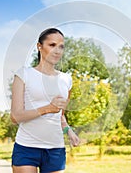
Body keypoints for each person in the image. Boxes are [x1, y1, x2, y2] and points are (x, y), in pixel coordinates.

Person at [10, 28, 80, 173]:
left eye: (61, 46)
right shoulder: (24, 74)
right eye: (52, 45)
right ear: (39, 46)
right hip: (27, 147)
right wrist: (47, 108)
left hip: (55, 148)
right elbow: (15, 116)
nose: (57, 51)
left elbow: (60, 115)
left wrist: (69, 131)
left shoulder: (66, 80)